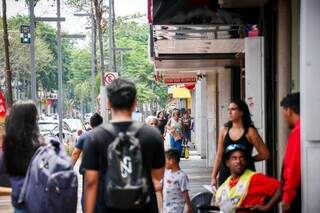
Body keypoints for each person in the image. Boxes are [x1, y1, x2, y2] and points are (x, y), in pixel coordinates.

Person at [82, 78, 165, 213]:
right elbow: (157, 175)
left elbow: (91, 181)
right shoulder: (152, 135)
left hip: (106, 207)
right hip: (144, 206)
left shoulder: (95, 137)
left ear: (109, 103)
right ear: (134, 103)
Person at [211, 100, 269, 187]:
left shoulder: (250, 132)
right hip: (226, 174)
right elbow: (219, 155)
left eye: (233, 109)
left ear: (241, 112)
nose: (230, 112)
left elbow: (265, 154)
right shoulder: (224, 130)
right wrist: (213, 177)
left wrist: (248, 159)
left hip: (246, 174)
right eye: (228, 109)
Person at [215, 144, 281, 213]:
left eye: (242, 158)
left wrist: (266, 207)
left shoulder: (254, 178)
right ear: (227, 163)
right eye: (234, 158)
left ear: (246, 162)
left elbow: (282, 187)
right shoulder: (224, 185)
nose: (238, 161)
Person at [3, 101, 43, 213]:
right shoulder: (43, 146)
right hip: (43, 204)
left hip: (20, 206)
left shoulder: (8, 147)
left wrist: (13, 190)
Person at [280, 93, 301, 213]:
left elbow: (293, 167)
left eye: (283, 111)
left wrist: (287, 198)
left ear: (288, 110)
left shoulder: (297, 132)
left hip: (296, 195)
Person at [161, 149, 192, 213]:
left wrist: (189, 207)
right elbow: (162, 187)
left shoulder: (182, 176)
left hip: (176, 209)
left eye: (165, 160)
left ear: (171, 161)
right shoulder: (166, 173)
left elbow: (185, 193)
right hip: (166, 208)